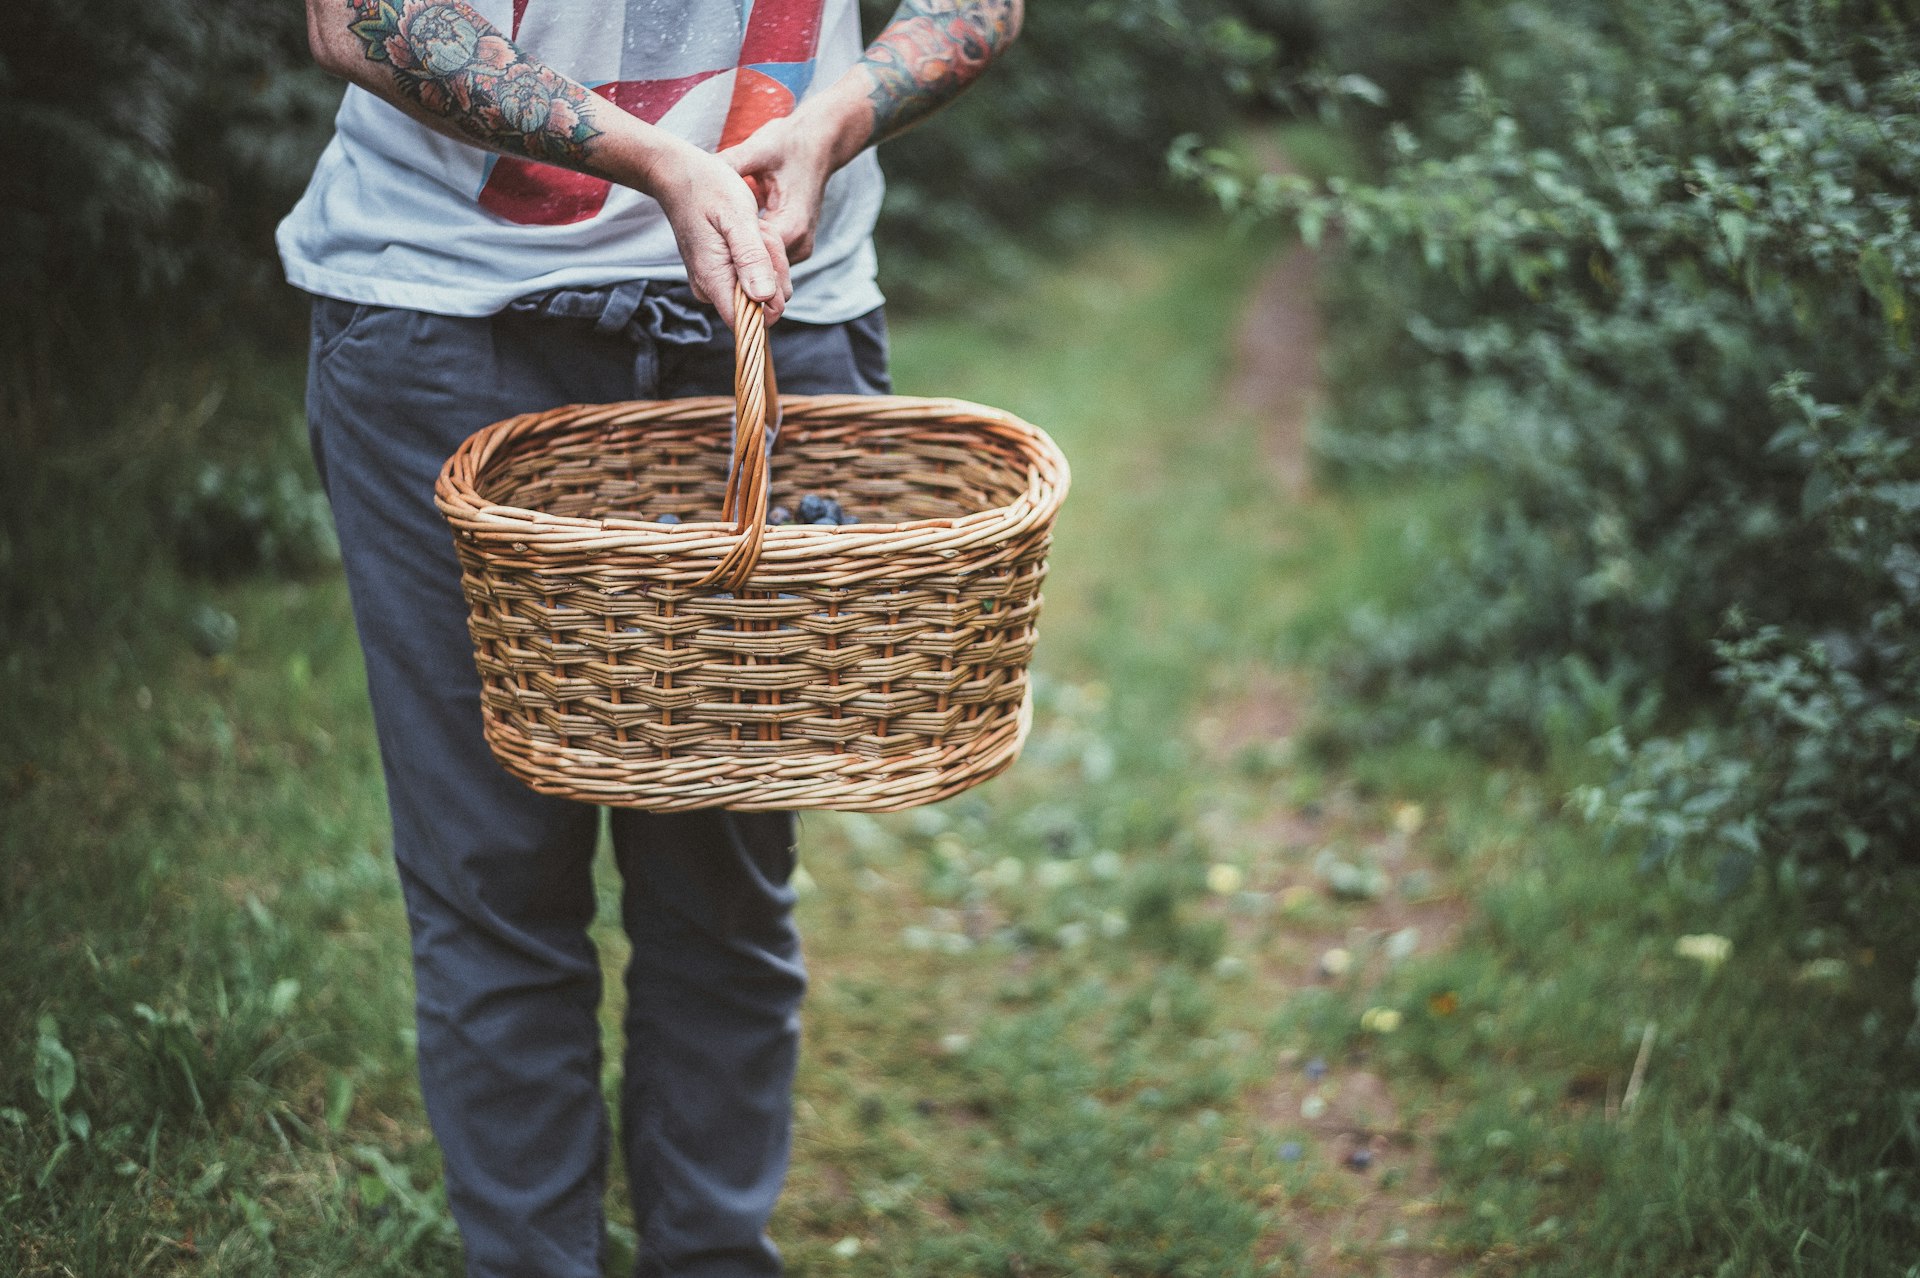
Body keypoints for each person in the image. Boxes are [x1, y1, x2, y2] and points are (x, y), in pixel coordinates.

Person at [278, 1, 1020, 1273]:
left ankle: (713, 1256)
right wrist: (658, 161)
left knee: (725, 879)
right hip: (454, 322)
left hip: (771, 316)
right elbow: (361, 20)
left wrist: (835, 115)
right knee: (492, 878)